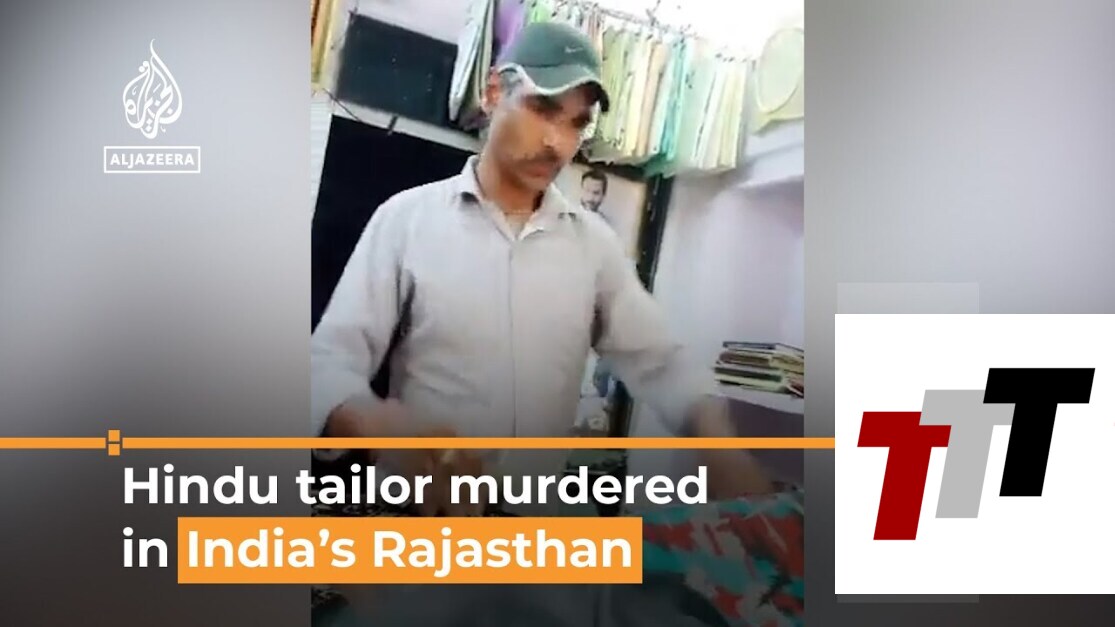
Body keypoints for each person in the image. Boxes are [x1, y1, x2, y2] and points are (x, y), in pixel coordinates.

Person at [310, 22, 771, 515]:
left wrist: (722, 448)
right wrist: (382, 425)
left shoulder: (593, 245)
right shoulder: (406, 220)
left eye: (577, 123)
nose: (557, 142)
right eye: (544, 109)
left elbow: (661, 362)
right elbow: (327, 364)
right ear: (493, 92)